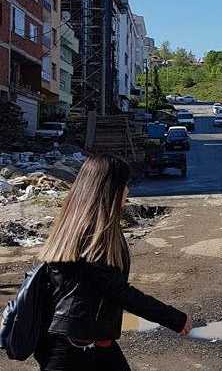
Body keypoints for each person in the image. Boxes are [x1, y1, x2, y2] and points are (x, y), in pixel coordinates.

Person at [34, 154, 192, 371]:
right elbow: (118, 291)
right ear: (109, 189)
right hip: (75, 345)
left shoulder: (78, 226)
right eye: (124, 184)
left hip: (89, 339)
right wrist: (173, 318)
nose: (128, 190)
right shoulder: (92, 234)